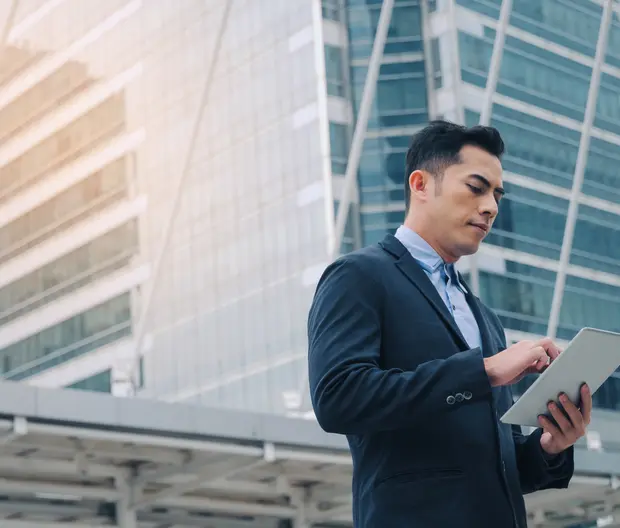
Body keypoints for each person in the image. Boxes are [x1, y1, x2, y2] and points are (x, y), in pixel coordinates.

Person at [307, 120, 591, 528]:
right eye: (476, 188)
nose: (491, 206)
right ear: (421, 185)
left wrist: (550, 445)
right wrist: (484, 370)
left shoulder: (485, 319)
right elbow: (338, 399)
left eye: (497, 194)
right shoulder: (359, 276)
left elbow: (500, 464)